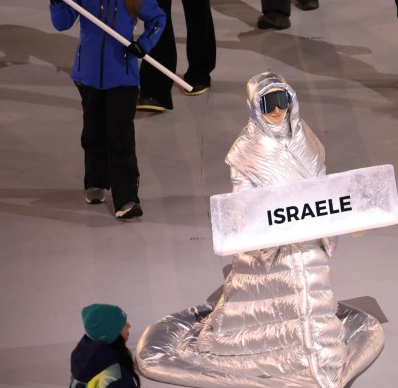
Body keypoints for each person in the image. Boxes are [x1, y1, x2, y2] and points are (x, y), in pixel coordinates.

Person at [134, 72, 383, 387]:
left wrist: (335, 221)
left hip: (306, 235)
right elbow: (243, 202)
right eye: (268, 103)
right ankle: (296, 356)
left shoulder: (306, 139)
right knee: (271, 299)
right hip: (270, 241)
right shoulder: (246, 148)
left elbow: (322, 185)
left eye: (282, 101)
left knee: (310, 289)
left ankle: (318, 357)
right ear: (255, 106)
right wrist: (267, 232)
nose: (276, 110)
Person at [45, 0, 165, 220]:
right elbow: (62, 23)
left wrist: (144, 45)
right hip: (87, 75)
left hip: (122, 75)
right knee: (93, 131)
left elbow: (157, 19)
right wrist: (56, 1)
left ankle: (127, 198)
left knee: (120, 135)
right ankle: (96, 181)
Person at [70, 303, 140, 387]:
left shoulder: (83, 365)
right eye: (122, 324)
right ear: (110, 332)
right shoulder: (117, 377)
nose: (129, 325)